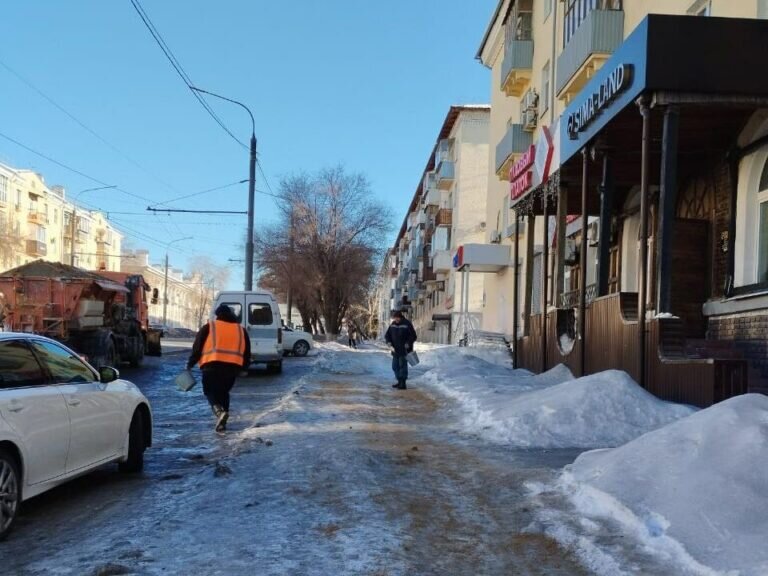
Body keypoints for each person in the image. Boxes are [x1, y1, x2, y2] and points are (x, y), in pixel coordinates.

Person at [187, 304, 251, 432]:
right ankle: (223, 423)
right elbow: (247, 351)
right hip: (232, 368)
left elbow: (197, 346)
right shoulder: (240, 330)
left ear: (218, 315)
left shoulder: (210, 327)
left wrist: (191, 363)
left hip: (211, 365)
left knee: (210, 391)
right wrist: (244, 367)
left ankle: (218, 411)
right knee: (224, 393)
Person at [385, 310, 417, 390]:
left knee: (402, 366)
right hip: (395, 350)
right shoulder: (393, 325)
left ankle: (403, 383)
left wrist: (408, 343)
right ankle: (399, 381)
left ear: (400, 317)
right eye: (394, 318)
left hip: (404, 350)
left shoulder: (407, 324)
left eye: (397, 318)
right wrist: (388, 342)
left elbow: (413, 336)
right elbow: (387, 335)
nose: (396, 320)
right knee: (395, 366)